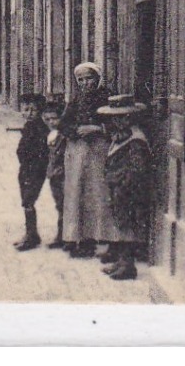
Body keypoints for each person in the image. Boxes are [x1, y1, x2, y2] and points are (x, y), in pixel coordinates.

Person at [59, 61, 119, 259]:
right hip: (77, 153)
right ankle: (83, 240)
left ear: (98, 79)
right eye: (81, 80)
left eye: (89, 78)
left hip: (99, 151)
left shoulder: (107, 98)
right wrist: (76, 131)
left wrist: (97, 129)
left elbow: (117, 124)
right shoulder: (76, 100)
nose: (85, 83)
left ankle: (109, 241)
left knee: (101, 194)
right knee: (78, 194)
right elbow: (63, 124)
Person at [99, 96, 152, 280]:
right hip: (118, 189)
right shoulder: (122, 136)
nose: (119, 121)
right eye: (115, 118)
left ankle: (128, 266)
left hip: (128, 191)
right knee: (120, 225)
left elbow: (137, 171)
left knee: (128, 227)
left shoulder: (136, 141)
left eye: (124, 117)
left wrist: (123, 186)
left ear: (131, 117)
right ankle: (121, 262)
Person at [13, 92, 49, 251]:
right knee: (26, 200)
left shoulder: (40, 129)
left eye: (33, 110)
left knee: (28, 200)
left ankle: (31, 236)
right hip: (26, 169)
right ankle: (31, 233)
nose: (29, 113)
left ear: (40, 111)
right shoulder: (29, 126)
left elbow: (41, 152)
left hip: (34, 170)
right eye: (26, 109)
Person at [42, 97, 68, 249]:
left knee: (64, 205)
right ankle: (61, 235)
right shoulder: (49, 134)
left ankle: (63, 236)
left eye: (54, 118)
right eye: (47, 119)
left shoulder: (63, 136)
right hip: (53, 175)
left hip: (62, 175)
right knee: (59, 205)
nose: (51, 122)